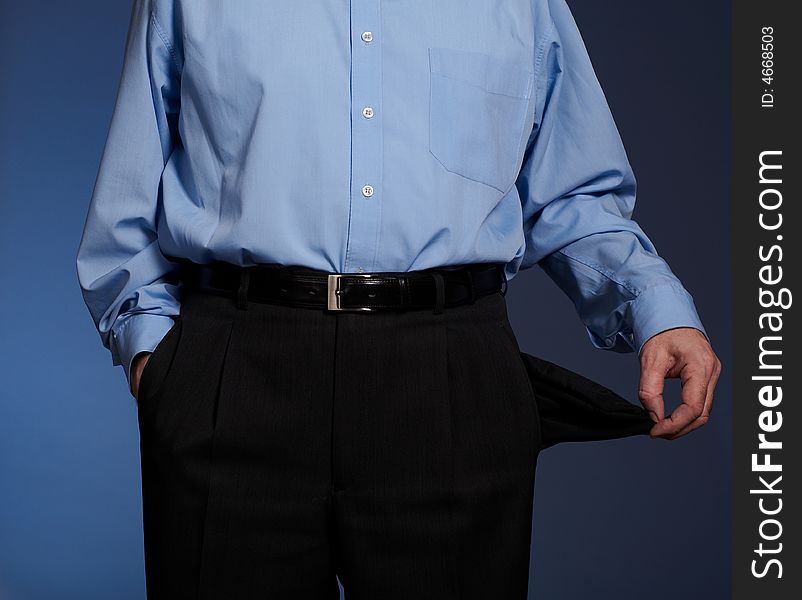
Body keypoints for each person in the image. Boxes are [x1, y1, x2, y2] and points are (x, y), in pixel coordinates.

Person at [76, 0, 721, 598]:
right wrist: (159, 364)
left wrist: (656, 311)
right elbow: (130, 194)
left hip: (450, 378)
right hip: (235, 370)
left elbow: (571, 195)